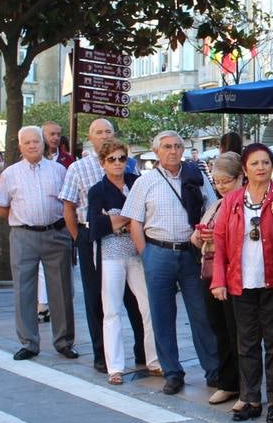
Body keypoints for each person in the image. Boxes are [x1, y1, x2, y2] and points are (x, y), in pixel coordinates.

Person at [121, 130, 219, 396]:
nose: (173, 151)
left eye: (177, 146)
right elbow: (135, 222)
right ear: (156, 152)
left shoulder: (196, 178)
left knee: (201, 314)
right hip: (158, 251)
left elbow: (213, 209)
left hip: (190, 252)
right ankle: (172, 372)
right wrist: (146, 255)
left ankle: (214, 370)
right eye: (167, 147)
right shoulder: (146, 181)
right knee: (162, 315)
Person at [210, 144, 273, 423]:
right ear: (245, 169)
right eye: (254, 163)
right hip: (242, 281)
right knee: (246, 343)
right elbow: (221, 240)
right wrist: (219, 279)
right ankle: (251, 398)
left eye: (265, 162)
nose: (261, 167)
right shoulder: (232, 200)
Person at [60, 118, 146, 374]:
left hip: (128, 241)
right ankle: (102, 354)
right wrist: (80, 238)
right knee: (97, 298)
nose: (104, 135)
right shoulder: (78, 168)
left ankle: (143, 351)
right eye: (99, 132)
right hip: (93, 238)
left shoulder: (130, 167)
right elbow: (68, 206)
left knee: (136, 298)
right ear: (91, 138)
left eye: (108, 131)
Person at [0, 125, 77, 361]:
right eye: (27, 142)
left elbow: (69, 203)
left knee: (61, 290)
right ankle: (29, 343)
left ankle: (64, 342)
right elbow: (1, 206)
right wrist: (22, 218)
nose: (32, 145)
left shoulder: (59, 170)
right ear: (20, 146)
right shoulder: (10, 173)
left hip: (55, 233)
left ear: (44, 144)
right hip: (23, 235)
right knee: (24, 289)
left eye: (36, 141)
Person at [87, 138, 159, 385]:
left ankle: (154, 359)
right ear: (102, 163)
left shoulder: (136, 182)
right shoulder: (97, 190)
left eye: (121, 158)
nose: (117, 163)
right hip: (110, 255)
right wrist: (129, 217)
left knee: (148, 305)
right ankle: (114, 366)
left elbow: (147, 214)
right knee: (112, 310)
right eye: (112, 159)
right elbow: (96, 227)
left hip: (137, 252)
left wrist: (116, 218)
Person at [195, 151, 242, 407]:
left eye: (226, 181)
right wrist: (199, 237)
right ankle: (228, 382)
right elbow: (200, 234)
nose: (221, 186)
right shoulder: (216, 204)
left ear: (239, 178)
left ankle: (245, 386)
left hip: (233, 274)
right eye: (217, 182)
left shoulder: (243, 202)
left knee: (237, 331)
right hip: (212, 272)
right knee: (219, 329)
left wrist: (217, 239)